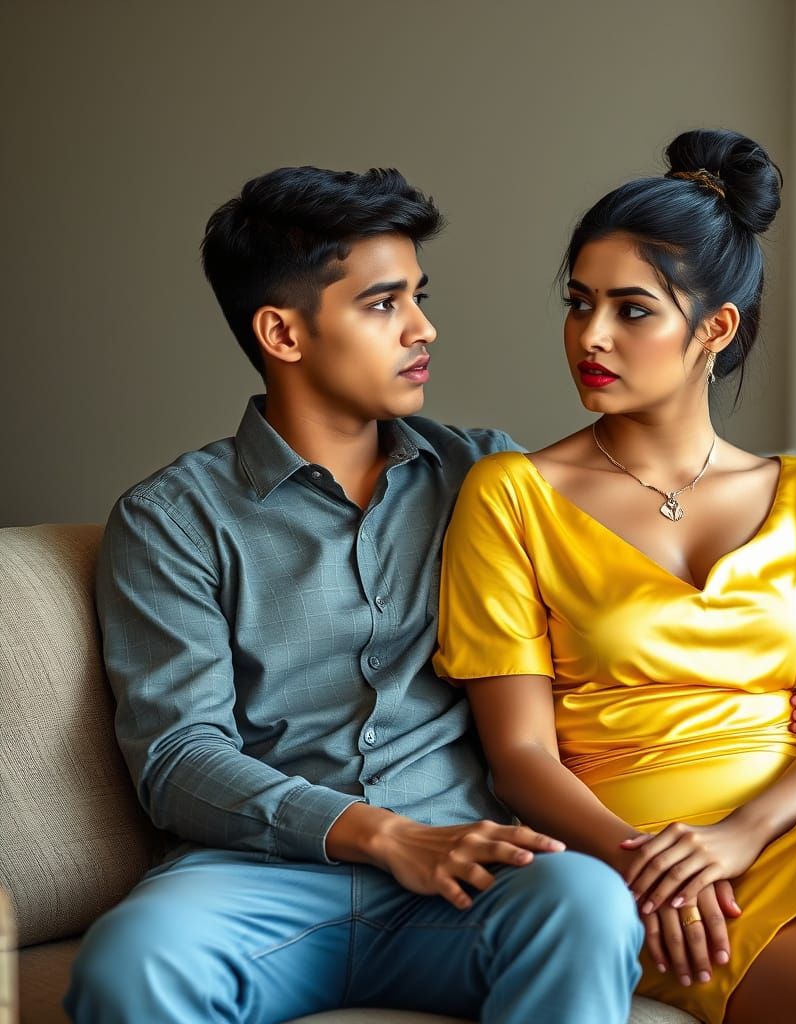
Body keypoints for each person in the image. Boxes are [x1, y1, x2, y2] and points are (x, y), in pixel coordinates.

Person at [432, 128, 796, 1024]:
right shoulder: (512, 494)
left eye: (632, 309)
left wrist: (740, 835)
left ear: (715, 328)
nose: (590, 335)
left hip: (790, 830)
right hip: (637, 854)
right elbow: (519, 758)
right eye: (578, 301)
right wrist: (657, 863)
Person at [64, 166, 654, 1023]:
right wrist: (383, 836)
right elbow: (178, 758)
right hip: (260, 880)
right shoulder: (172, 519)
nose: (424, 328)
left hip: (473, 869)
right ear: (283, 332)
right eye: (383, 304)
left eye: (419, 296)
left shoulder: (485, 476)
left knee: (586, 907)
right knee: (130, 961)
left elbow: (622, 611)